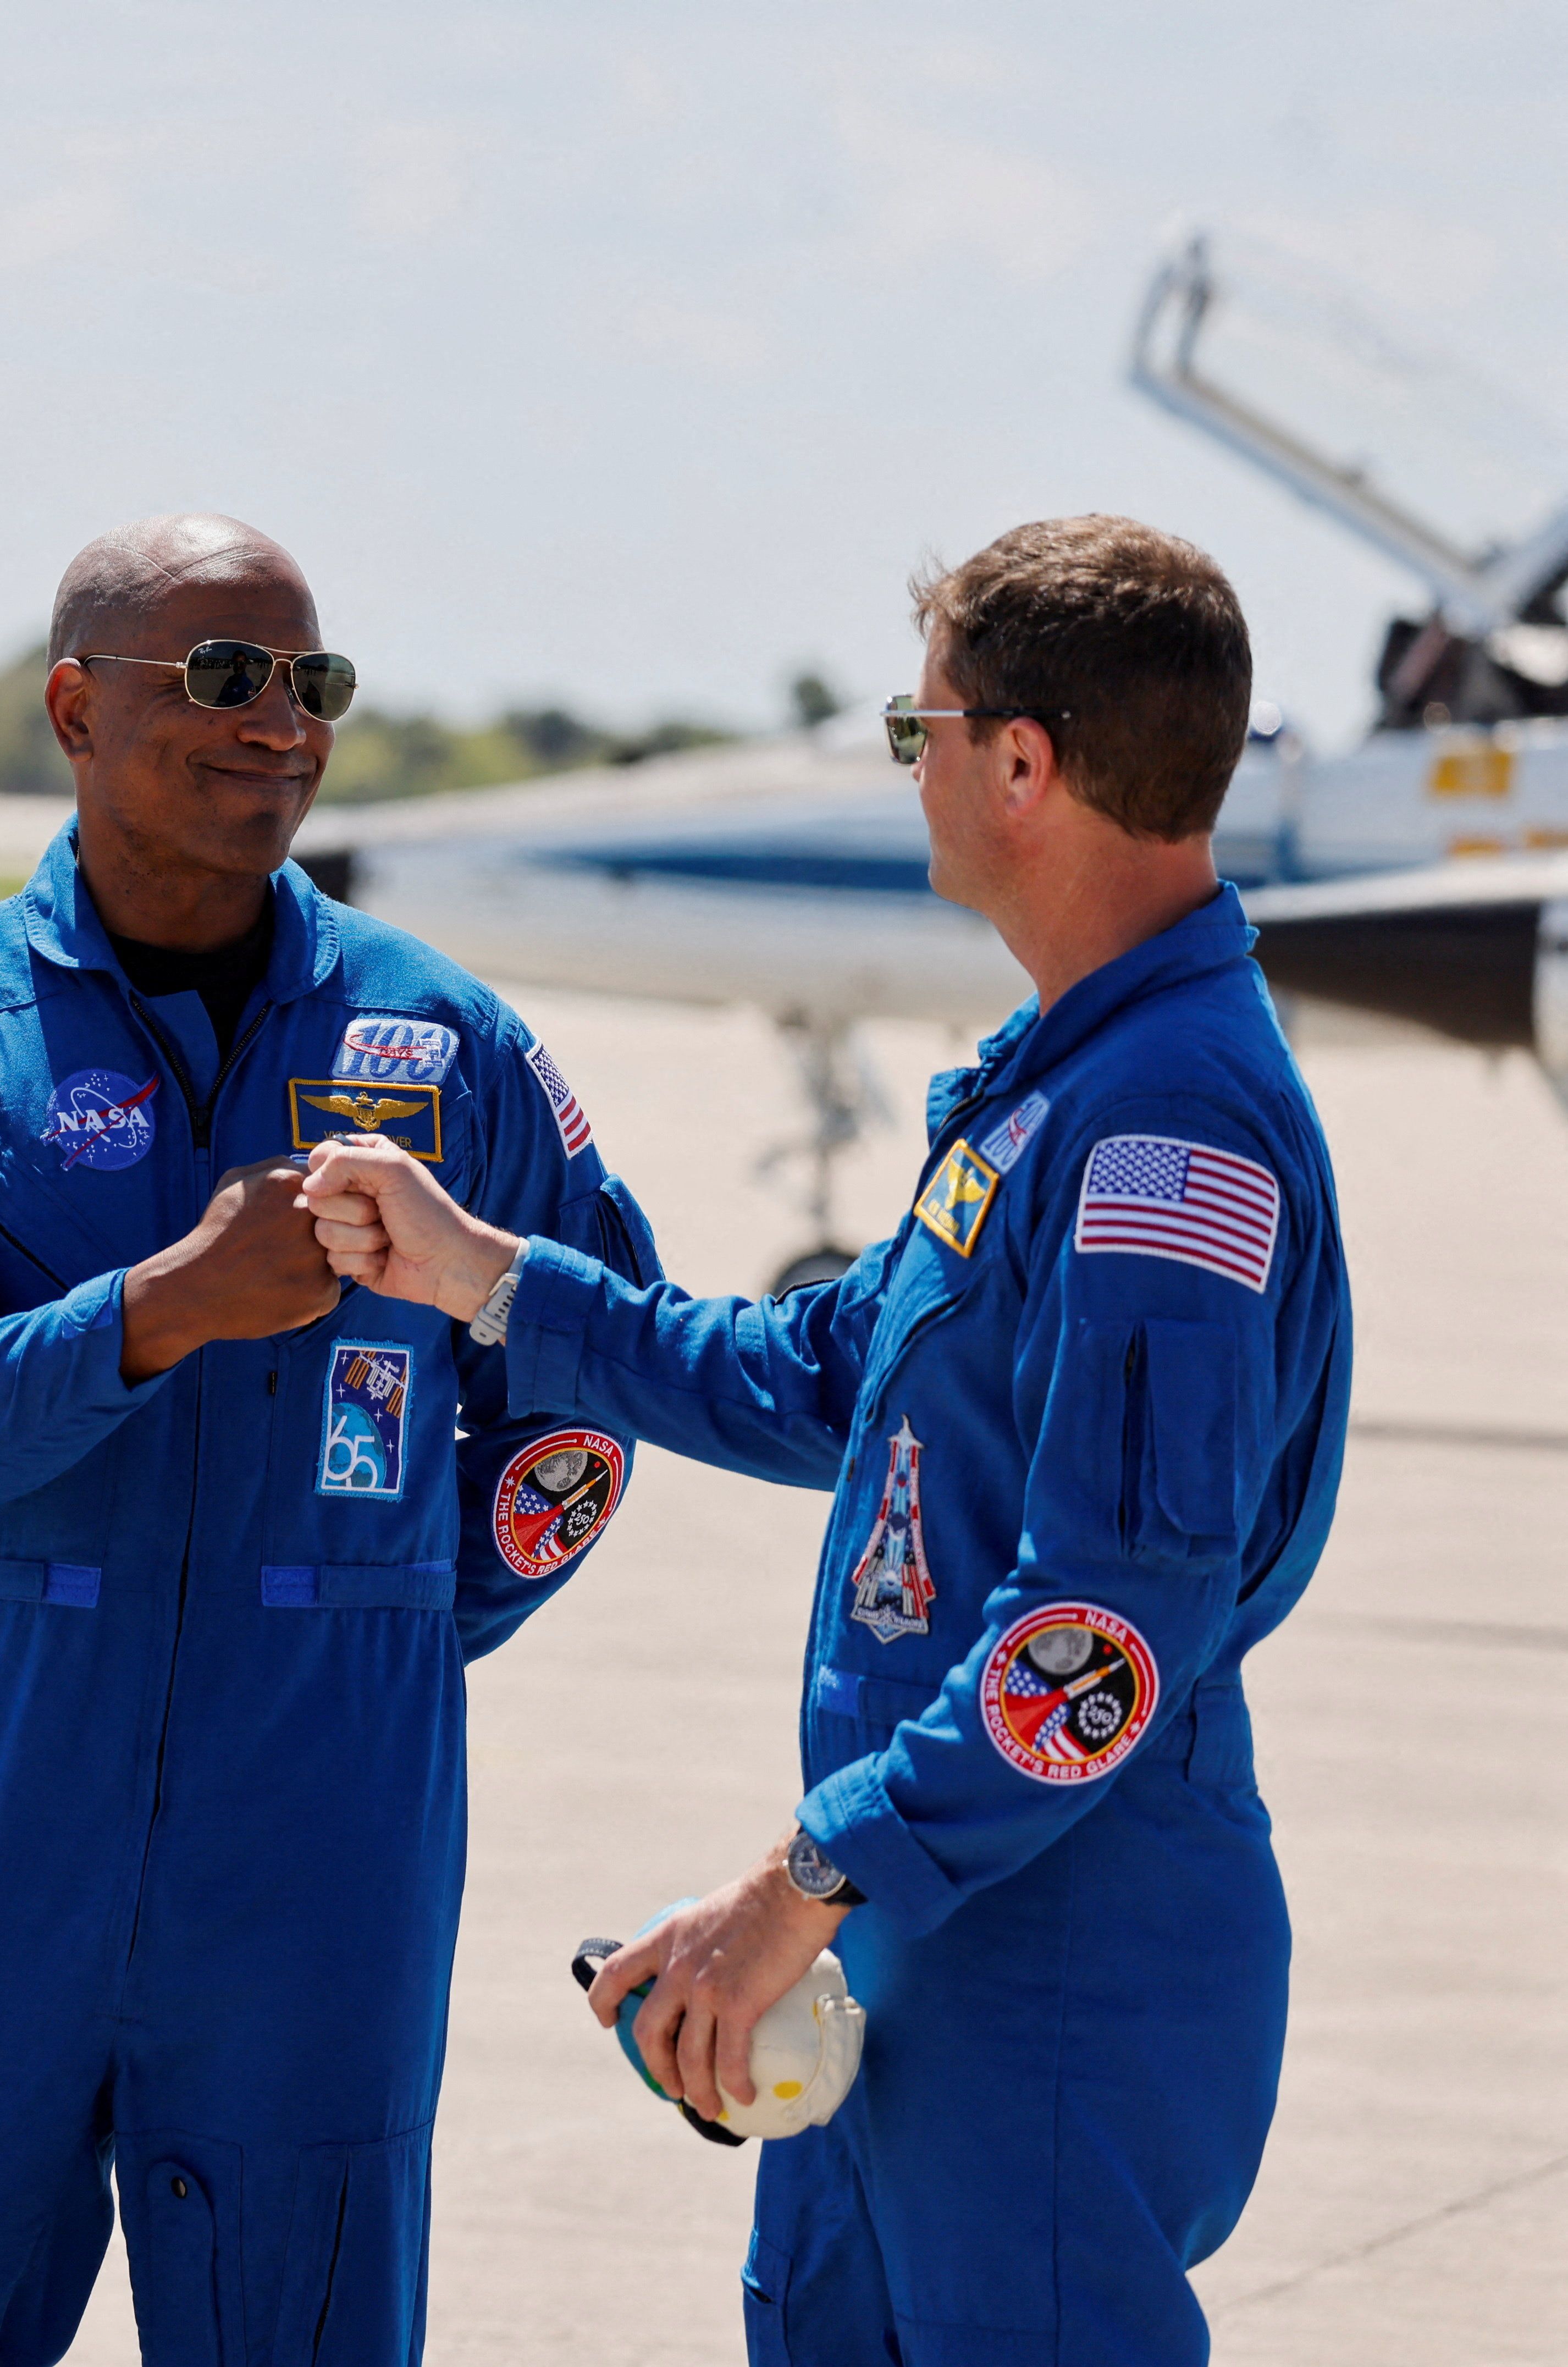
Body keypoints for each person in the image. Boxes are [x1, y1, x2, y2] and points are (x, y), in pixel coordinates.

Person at [304, 516, 1350, 2366]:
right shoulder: (1057, 1086)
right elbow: (815, 1374)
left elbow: (1095, 1641)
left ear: (1019, 762)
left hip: (1050, 1954)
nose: (912, 767)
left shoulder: (1161, 1136)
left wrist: (797, 1891)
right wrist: (485, 1278)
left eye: (916, 726)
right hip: (927, 1927)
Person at [0, 514, 662, 2363]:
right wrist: (161, 1307)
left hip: (323, 1855)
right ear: (75, 706)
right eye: (225, 677)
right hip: (0, 1835)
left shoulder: (443, 1044)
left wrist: (385, 1615)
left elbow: (587, 1391)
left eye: (312, 684)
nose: (281, 725)